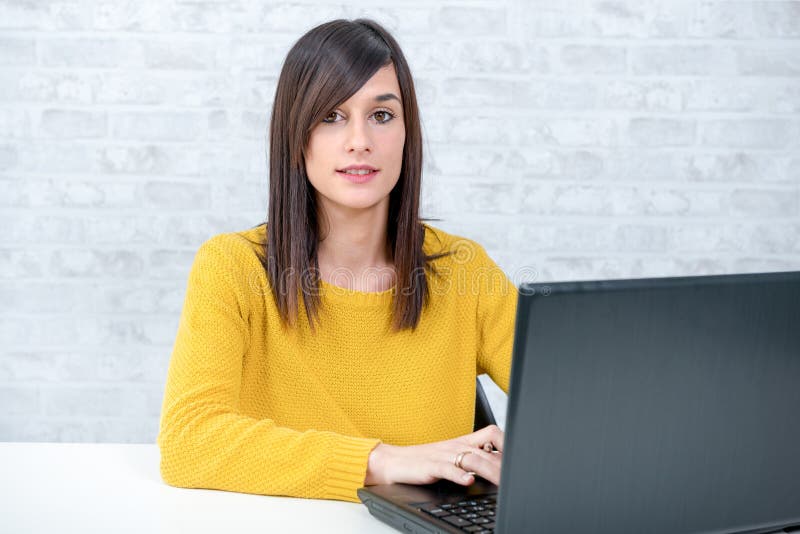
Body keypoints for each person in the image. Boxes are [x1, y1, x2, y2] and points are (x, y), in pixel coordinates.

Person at [157, 18, 518, 504]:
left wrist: (531, 453)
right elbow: (188, 442)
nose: (359, 141)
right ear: (296, 135)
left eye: (382, 115)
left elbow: (580, 399)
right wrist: (381, 460)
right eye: (331, 116)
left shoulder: (463, 269)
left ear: (407, 132)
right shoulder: (233, 268)